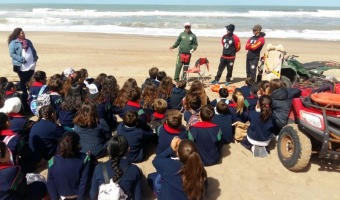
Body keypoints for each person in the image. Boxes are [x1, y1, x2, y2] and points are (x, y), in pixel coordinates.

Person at [90, 136, 142, 200]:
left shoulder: (98, 168)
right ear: (128, 150)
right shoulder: (134, 169)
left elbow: (93, 194)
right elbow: (138, 197)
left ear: (108, 149)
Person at [47, 132, 95, 200]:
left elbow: (50, 182)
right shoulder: (85, 159)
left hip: (61, 195)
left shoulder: (52, 160)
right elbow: (85, 181)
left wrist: (55, 198)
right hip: (78, 194)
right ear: (77, 144)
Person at [8, 28, 38, 96]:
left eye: (23, 32)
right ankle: (24, 93)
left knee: (30, 79)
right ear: (17, 34)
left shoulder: (28, 41)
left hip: (31, 64)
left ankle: (30, 92)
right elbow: (12, 54)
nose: (24, 34)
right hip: (21, 65)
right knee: (23, 80)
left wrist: (35, 57)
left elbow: (33, 50)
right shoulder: (13, 42)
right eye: (22, 33)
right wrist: (21, 59)